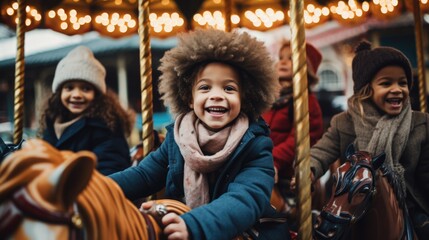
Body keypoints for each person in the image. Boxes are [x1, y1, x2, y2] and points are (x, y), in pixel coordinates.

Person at [109, 29, 291, 240]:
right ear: (189, 98)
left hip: (247, 230)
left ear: (244, 98)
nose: (216, 96)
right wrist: (99, 186)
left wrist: (195, 224)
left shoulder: (255, 145)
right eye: (205, 87)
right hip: (188, 222)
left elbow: (246, 197)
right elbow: (144, 175)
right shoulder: (177, 139)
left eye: (229, 89)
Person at [309, 40, 429, 238]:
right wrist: (310, 169)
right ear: (367, 89)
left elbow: (425, 173)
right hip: (351, 206)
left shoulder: (420, 124)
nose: (397, 89)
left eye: (403, 82)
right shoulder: (345, 122)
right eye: (386, 83)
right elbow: (323, 150)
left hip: (408, 205)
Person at [39, 45, 132, 176]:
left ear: (96, 94)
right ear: (59, 93)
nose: (76, 94)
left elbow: (111, 167)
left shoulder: (105, 125)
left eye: (85, 89)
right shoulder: (51, 122)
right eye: (69, 88)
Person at [262, 40, 324, 215]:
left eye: (290, 58)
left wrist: (272, 160)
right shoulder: (268, 100)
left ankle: (289, 212)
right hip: (263, 160)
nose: (282, 61)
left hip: (286, 169)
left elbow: (299, 140)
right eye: (281, 57)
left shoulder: (306, 102)